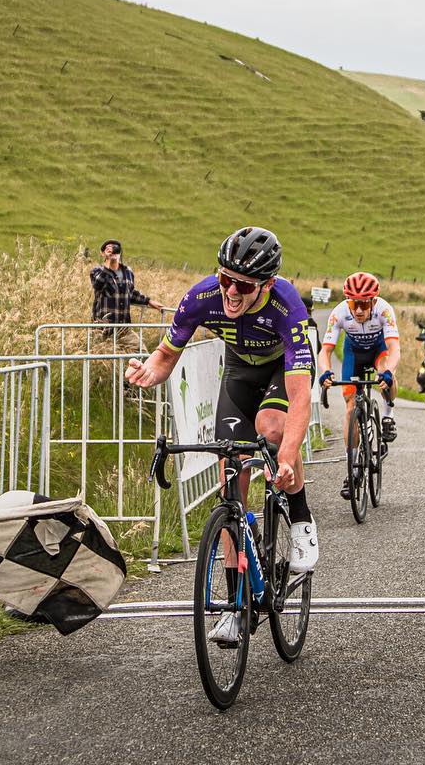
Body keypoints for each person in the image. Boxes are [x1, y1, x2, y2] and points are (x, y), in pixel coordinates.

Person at [125, 227, 317, 646]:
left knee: (271, 430)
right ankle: (235, 607)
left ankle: (300, 515)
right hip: (239, 373)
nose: (230, 290)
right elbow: (165, 356)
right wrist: (147, 374)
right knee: (231, 481)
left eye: (242, 285)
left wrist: (286, 457)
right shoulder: (201, 296)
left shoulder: (287, 305)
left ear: (265, 285)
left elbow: (301, 398)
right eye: (224, 278)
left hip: (280, 372)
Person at [316, 272, 401, 499]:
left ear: (373, 301)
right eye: (355, 303)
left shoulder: (384, 310)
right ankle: (352, 467)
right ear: (348, 301)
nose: (360, 310)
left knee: (384, 372)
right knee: (351, 406)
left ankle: (388, 416)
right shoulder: (339, 313)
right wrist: (325, 371)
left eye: (364, 303)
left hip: (378, 351)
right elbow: (325, 350)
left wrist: (389, 373)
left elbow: (394, 349)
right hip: (353, 354)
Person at [90, 240, 164, 325]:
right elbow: (98, 285)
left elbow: (130, 293)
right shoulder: (97, 271)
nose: (112, 251)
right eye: (108, 249)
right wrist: (108, 260)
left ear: (120, 253)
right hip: (103, 326)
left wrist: (149, 301)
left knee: (137, 339)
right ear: (103, 253)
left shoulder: (127, 271)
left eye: (115, 248)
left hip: (124, 327)